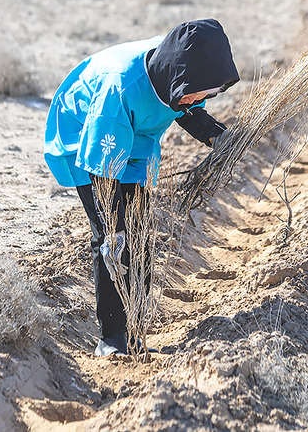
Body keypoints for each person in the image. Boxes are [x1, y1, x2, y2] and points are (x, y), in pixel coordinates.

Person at [43, 19, 240, 356]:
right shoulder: (119, 88)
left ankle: (136, 326)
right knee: (113, 239)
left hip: (134, 136)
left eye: (208, 94)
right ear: (180, 77)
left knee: (140, 235)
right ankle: (112, 339)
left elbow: (188, 108)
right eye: (201, 93)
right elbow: (104, 172)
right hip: (87, 132)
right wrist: (114, 227)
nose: (200, 99)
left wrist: (218, 137)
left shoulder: (178, 68)